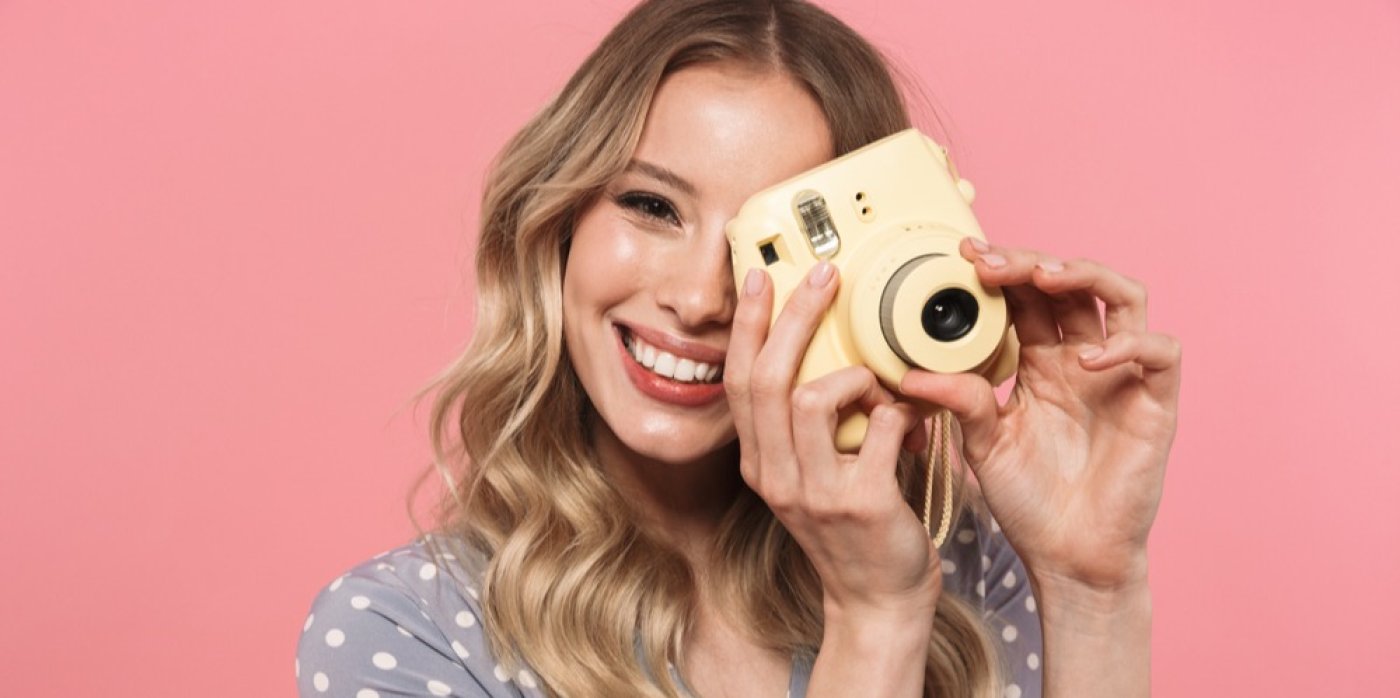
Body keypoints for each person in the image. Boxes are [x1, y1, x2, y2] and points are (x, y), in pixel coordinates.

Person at [295, 0, 1182, 696]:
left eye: (765, 249)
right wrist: (874, 621)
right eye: (652, 206)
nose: (700, 299)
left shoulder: (964, 565)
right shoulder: (407, 633)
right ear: (558, 223)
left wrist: (1091, 588)